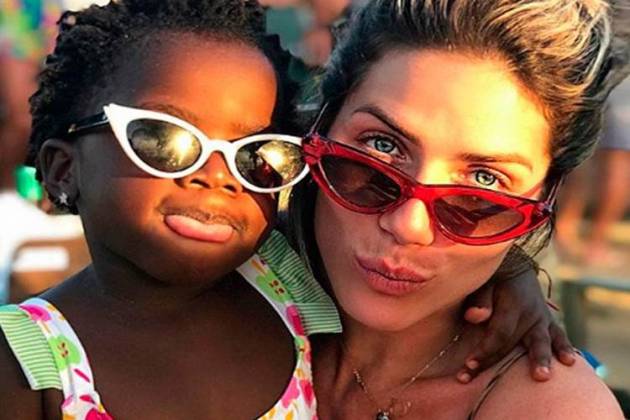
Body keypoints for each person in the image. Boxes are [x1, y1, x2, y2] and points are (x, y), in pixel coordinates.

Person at [0, 0, 577, 418]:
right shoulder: (28, 364)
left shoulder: (284, 287)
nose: (215, 178)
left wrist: (509, 269)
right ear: (63, 169)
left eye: (256, 157)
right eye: (162, 140)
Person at [287, 0, 627, 418]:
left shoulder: (555, 410)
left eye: (484, 180)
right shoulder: (233, 282)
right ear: (320, 124)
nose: (409, 225)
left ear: (546, 198)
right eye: (382, 145)